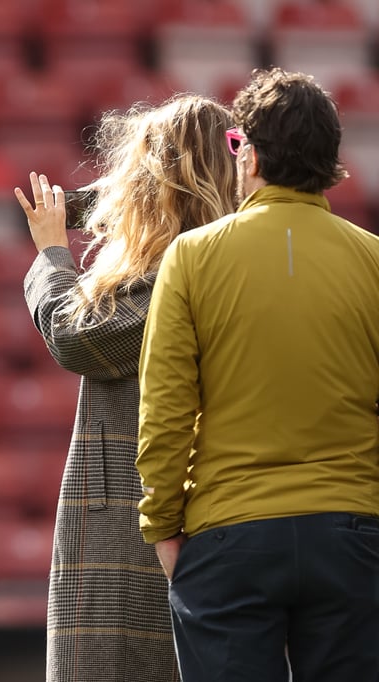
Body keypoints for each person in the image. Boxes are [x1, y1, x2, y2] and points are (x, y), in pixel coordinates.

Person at [136, 67, 379, 681]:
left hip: (229, 538)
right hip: (353, 537)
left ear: (245, 152)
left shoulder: (190, 258)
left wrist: (163, 525)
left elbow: (164, 412)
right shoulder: (375, 262)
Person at [14, 94, 238, 681]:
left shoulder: (181, 272)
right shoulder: (237, 264)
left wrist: (53, 255)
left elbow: (77, 338)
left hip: (135, 532)